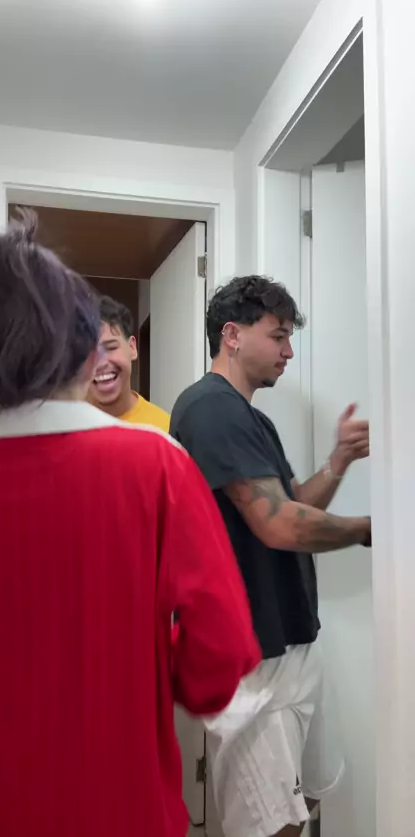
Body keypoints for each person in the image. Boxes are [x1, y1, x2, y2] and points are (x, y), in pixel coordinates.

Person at [0, 216, 261, 837]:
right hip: (119, 806)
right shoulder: (156, 466)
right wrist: (143, 666)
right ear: (87, 353)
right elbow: (220, 652)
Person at [170, 275, 371, 837]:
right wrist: (373, 531)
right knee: (270, 826)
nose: (288, 352)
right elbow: (280, 526)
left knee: (302, 804)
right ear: (231, 335)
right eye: (278, 336)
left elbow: (291, 505)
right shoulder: (210, 409)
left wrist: (338, 461)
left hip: (289, 641)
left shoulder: (248, 416)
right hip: (252, 658)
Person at [87, 295, 170, 432]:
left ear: (132, 347)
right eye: (89, 353)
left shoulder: (163, 429)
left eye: (111, 348)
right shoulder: (65, 429)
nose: (101, 363)